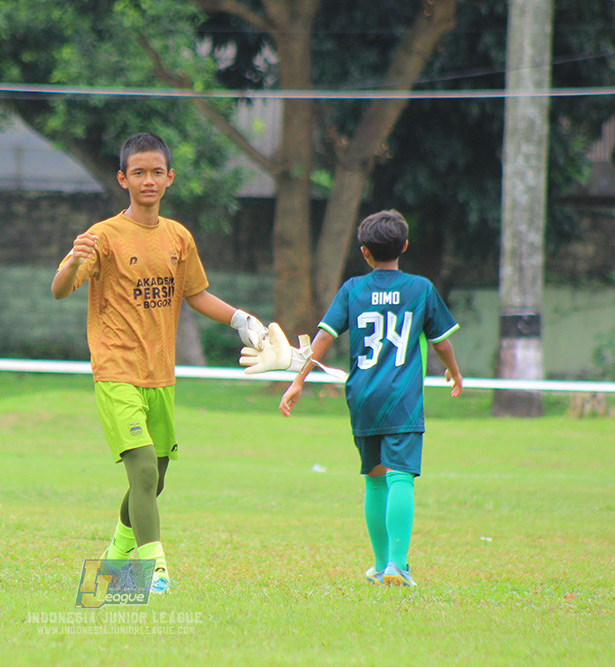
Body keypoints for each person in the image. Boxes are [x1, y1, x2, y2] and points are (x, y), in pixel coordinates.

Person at [51, 132, 269, 593]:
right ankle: (155, 571)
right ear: (123, 179)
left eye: (155, 172)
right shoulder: (102, 236)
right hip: (116, 371)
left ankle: (114, 561)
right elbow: (59, 289)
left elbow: (196, 294)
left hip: (161, 375)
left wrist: (241, 319)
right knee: (145, 469)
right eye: (138, 173)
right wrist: (72, 261)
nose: (147, 180)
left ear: (169, 178)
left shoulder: (178, 237)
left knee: (155, 479)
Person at [279, 209, 463, 587]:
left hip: (362, 396)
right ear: (405, 246)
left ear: (364, 251)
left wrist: (298, 380)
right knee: (401, 477)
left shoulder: (352, 289)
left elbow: (324, 337)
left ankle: (380, 566)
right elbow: (441, 342)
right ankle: (397, 564)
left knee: (375, 479)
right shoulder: (420, 289)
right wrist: (454, 372)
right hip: (402, 398)